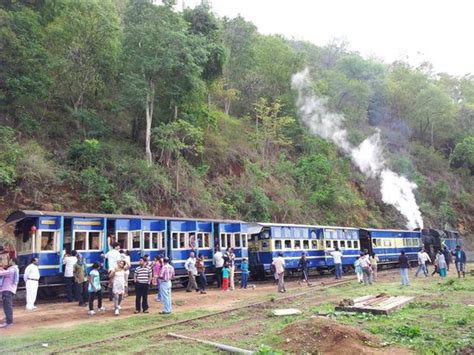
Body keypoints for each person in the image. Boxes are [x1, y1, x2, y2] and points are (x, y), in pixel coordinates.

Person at [0, 258, 19, 328]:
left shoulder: (11, 270)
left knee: (7, 306)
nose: (9, 261)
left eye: (10, 260)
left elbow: (1, 273)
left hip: (7, 289)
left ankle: (9, 322)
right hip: (9, 290)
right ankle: (8, 320)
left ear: (13, 262)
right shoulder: (14, 269)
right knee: (7, 306)